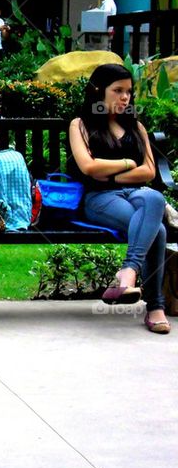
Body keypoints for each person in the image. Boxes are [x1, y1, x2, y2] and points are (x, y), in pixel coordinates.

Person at [68, 63, 170, 334]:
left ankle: (128, 271)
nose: (125, 97)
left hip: (134, 195)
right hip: (99, 199)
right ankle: (155, 307)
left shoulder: (136, 127)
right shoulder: (80, 125)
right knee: (157, 230)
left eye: (129, 92)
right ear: (99, 91)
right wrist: (126, 163)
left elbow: (149, 171)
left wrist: (109, 171)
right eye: (118, 91)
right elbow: (88, 168)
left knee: (155, 199)